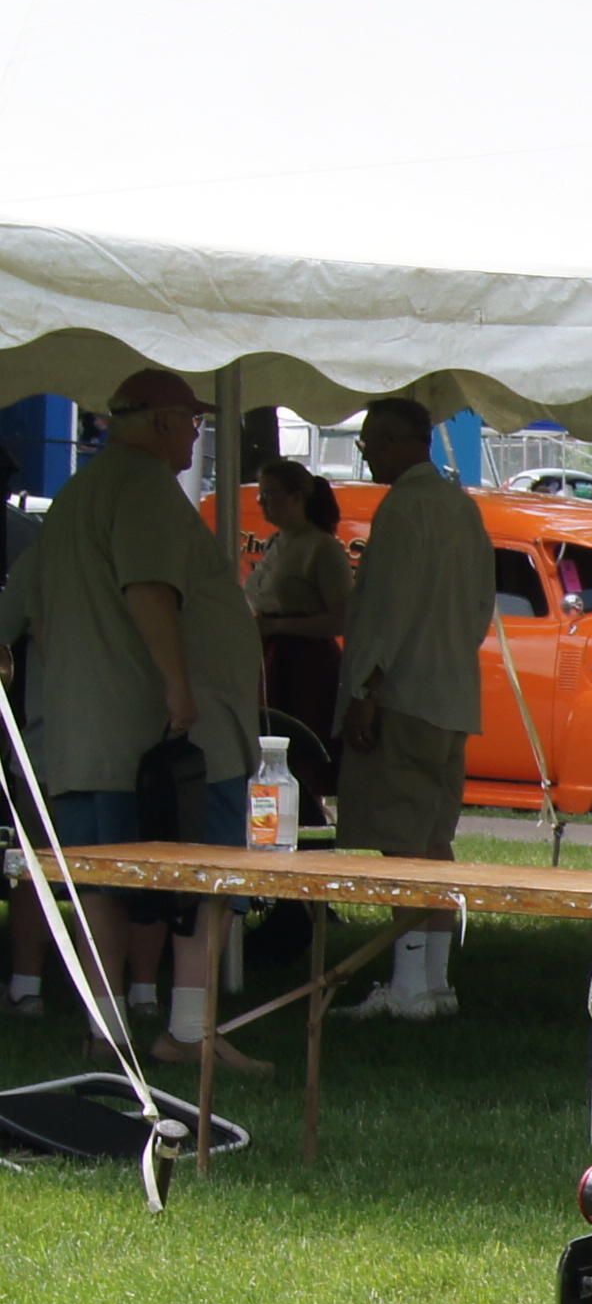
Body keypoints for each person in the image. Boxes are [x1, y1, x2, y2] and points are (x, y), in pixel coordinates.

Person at [0, 370, 268, 1071]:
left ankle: (107, 1029)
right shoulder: (145, 487)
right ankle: (187, 1029)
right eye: (192, 422)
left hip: (92, 731)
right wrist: (181, 693)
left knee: (100, 884)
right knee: (204, 878)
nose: (195, 435)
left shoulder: (79, 492)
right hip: (169, 736)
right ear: (158, 421)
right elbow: (149, 589)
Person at [335, 396, 492, 1019]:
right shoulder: (462, 507)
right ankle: (432, 982)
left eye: (371, 441)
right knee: (433, 839)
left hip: (404, 695)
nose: (367, 452)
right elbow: (483, 605)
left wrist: (366, 691)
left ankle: (407, 985)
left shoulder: (403, 509)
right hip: (453, 691)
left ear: (403, 443)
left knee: (404, 845)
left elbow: (386, 610)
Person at [246, 455, 353, 818]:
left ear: (297, 497)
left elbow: (341, 617)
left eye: (270, 495)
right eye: (261, 495)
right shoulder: (276, 543)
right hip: (270, 655)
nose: (262, 503)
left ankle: (307, 811)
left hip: (305, 661)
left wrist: (278, 627)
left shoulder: (322, 547)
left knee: (299, 747)